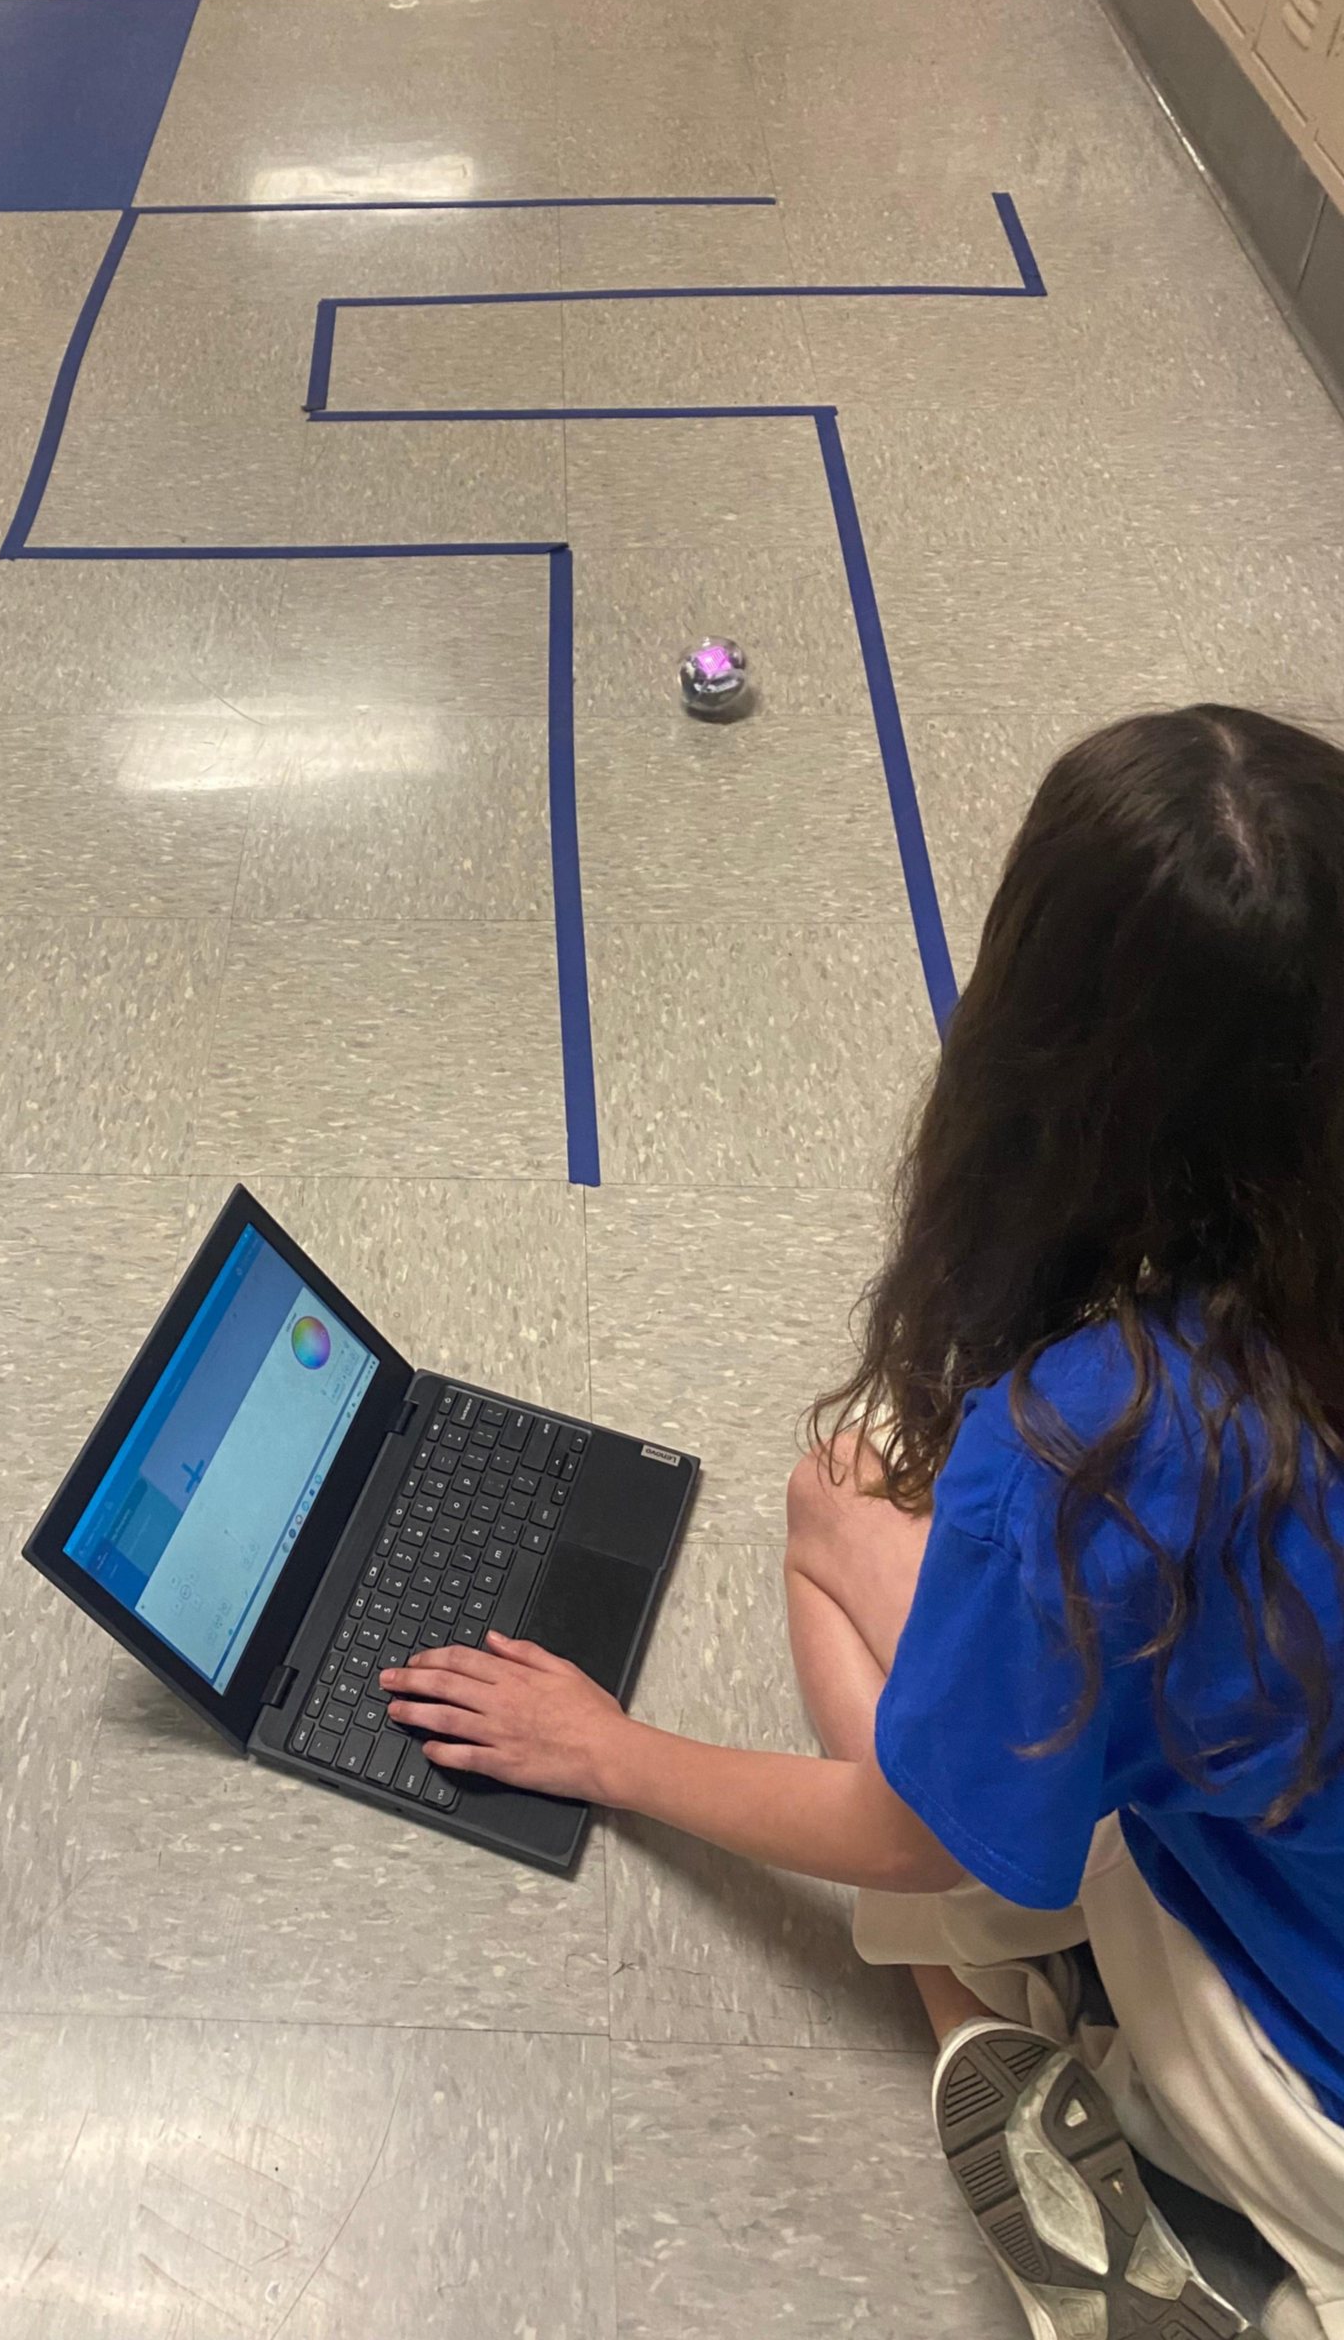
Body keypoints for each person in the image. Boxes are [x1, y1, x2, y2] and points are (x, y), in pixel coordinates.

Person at [381, 705, 1344, 2339]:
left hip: (1315, 2078)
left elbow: (914, 1834)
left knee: (861, 1560)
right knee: (862, 1501)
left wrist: (609, 1751)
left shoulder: (1097, 1437)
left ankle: (999, 2038)